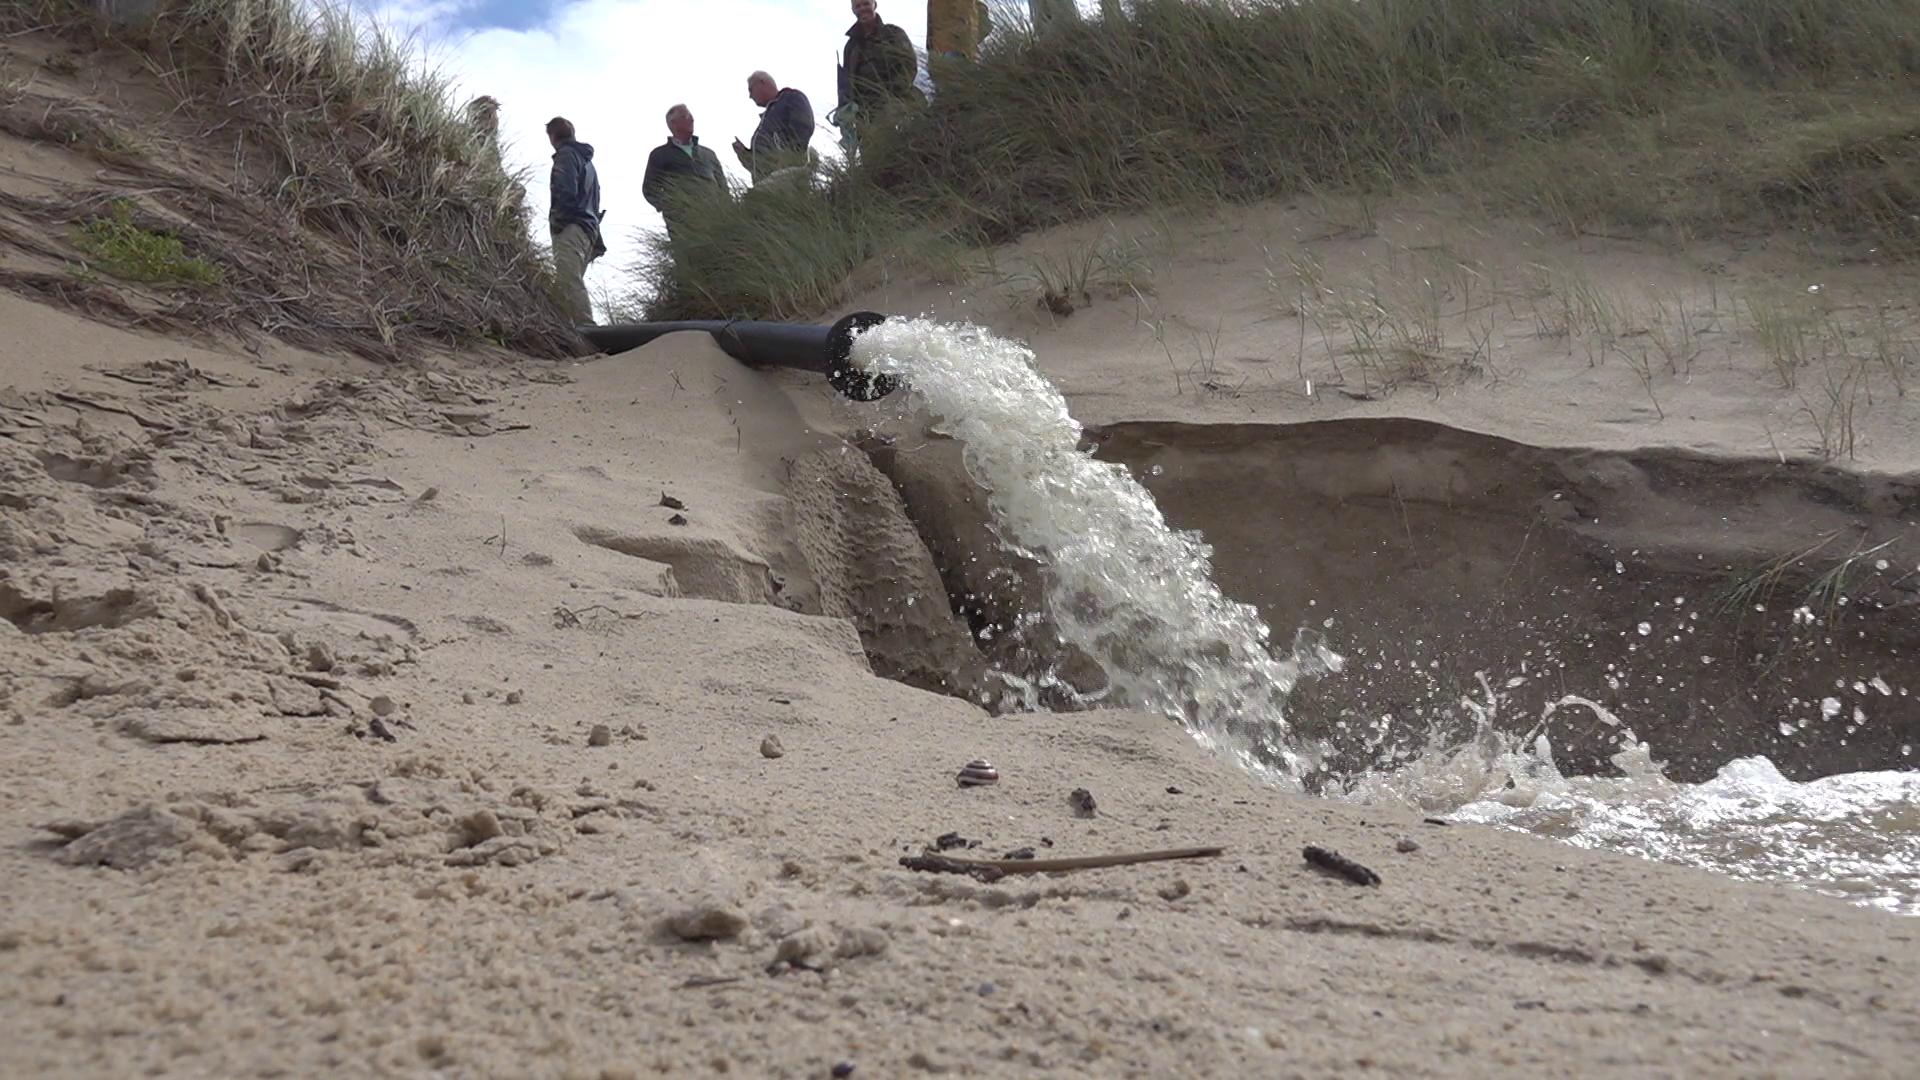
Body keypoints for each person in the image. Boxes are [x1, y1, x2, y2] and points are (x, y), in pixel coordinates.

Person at [831, 0, 922, 151]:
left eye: (865, 4)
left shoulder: (893, 33)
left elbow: (909, 65)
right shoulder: (851, 46)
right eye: (857, 6)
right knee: (871, 158)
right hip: (864, 113)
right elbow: (846, 83)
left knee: (899, 151)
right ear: (853, 10)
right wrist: (844, 112)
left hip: (894, 106)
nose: (862, 9)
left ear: (874, 4)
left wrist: (893, 97)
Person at [545, 116, 604, 327]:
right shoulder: (587, 162)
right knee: (565, 284)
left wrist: (558, 222)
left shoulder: (566, 156)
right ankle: (562, 328)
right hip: (588, 230)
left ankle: (587, 331)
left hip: (572, 226)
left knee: (569, 281)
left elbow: (565, 190)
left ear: (552, 137)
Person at [642, 104, 729, 239]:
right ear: (672, 123)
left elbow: (723, 188)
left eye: (691, 117)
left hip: (715, 220)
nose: (691, 120)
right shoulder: (660, 154)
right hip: (682, 225)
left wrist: (727, 211)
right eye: (685, 117)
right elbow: (649, 188)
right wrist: (671, 208)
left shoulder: (709, 154)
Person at [731, 71, 816, 185]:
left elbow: (804, 128)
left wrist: (788, 158)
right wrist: (744, 154)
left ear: (762, 83)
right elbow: (758, 165)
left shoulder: (791, 97)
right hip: (766, 182)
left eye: (751, 90)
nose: (750, 96)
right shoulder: (768, 117)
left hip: (788, 179)